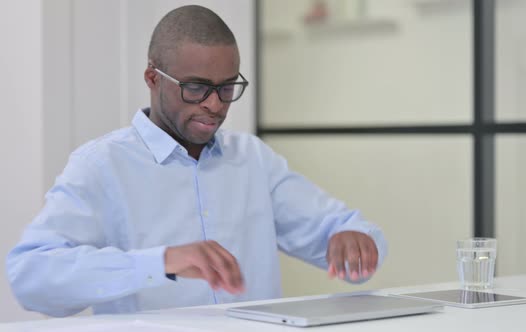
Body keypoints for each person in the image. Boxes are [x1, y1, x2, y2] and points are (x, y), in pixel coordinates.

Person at [6, 5, 387, 317]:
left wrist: (354, 241)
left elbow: (349, 232)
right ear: (153, 78)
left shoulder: (253, 159)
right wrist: (162, 262)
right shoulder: (101, 165)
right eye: (196, 88)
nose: (215, 104)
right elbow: (31, 279)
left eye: (226, 87)